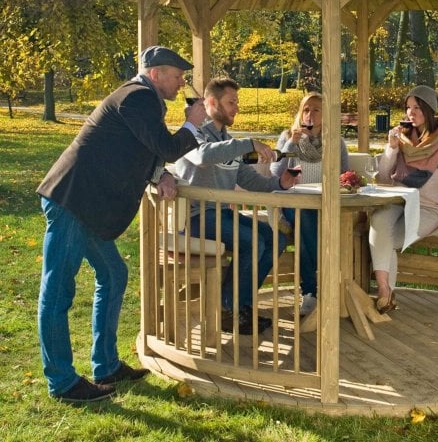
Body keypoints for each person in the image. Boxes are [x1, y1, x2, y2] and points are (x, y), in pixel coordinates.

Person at [37, 46, 207, 403]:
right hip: (73, 201)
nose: (181, 84)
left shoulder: (143, 100)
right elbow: (167, 145)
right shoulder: (138, 96)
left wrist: (158, 175)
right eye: (177, 77)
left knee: (114, 274)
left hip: (87, 206)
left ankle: (106, 365)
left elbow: (138, 149)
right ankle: (63, 382)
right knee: (57, 293)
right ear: (157, 74)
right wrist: (193, 122)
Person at [174, 78, 300, 334]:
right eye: (231, 102)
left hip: (221, 214)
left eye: (237, 102)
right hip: (196, 218)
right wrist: (249, 143)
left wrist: (280, 182)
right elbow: (202, 156)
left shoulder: (228, 141)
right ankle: (228, 310)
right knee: (252, 240)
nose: (236, 108)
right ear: (211, 102)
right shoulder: (192, 133)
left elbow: (249, 180)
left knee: (274, 239)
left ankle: (238, 305)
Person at [370, 85, 438, 314]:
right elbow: (383, 177)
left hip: (430, 207)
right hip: (397, 199)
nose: (410, 113)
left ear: (429, 109)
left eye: (416, 107)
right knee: (379, 220)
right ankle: (384, 291)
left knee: (391, 238)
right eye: (408, 107)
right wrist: (391, 148)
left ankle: (386, 293)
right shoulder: (403, 138)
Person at [270, 92, 350, 316]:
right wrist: (290, 144)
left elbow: (344, 176)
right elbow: (274, 173)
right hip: (294, 202)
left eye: (316, 110)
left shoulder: (335, 141)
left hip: (326, 203)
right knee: (305, 216)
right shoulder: (288, 137)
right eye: (306, 109)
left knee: (310, 227)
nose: (310, 114)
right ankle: (319, 286)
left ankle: (316, 289)